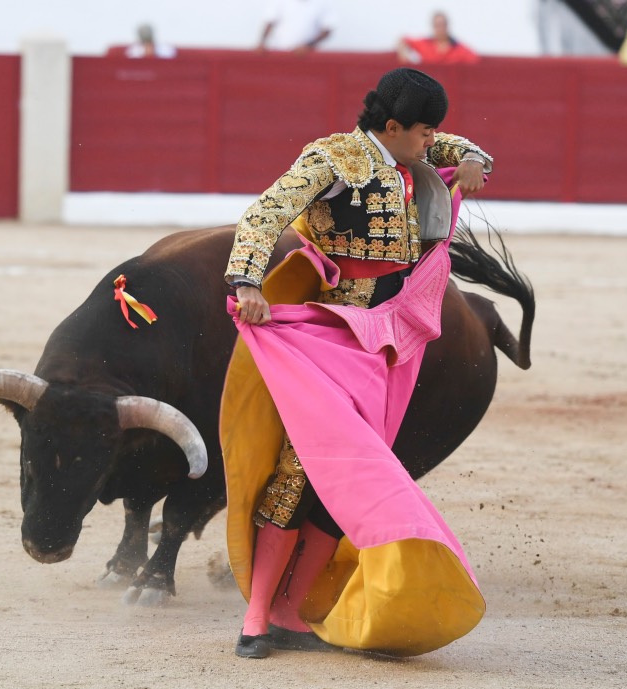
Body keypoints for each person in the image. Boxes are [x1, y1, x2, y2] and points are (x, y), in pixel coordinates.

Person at [220, 68, 494, 659]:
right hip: (331, 335)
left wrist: (473, 155)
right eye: (424, 133)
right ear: (392, 126)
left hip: (389, 344)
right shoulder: (331, 159)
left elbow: (450, 148)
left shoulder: (405, 147)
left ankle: (293, 610)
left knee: (352, 476)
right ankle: (257, 615)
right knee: (300, 470)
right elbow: (264, 213)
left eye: (433, 135)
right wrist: (246, 280)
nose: (431, 144)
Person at [397, 12, 480, 65]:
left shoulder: (458, 48)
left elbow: (475, 59)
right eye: (437, 25)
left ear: (447, 26)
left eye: (442, 25)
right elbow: (403, 40)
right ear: (433, 27)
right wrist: (404, 55)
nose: (440, 29)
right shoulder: (425, 44)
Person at [257, 0, 335, 53]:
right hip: (280, 52)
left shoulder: (322, 3)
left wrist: (307, 46)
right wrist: (262, 43)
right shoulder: (280, 2)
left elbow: (327, 30)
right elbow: (270, 22)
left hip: (308, 55)